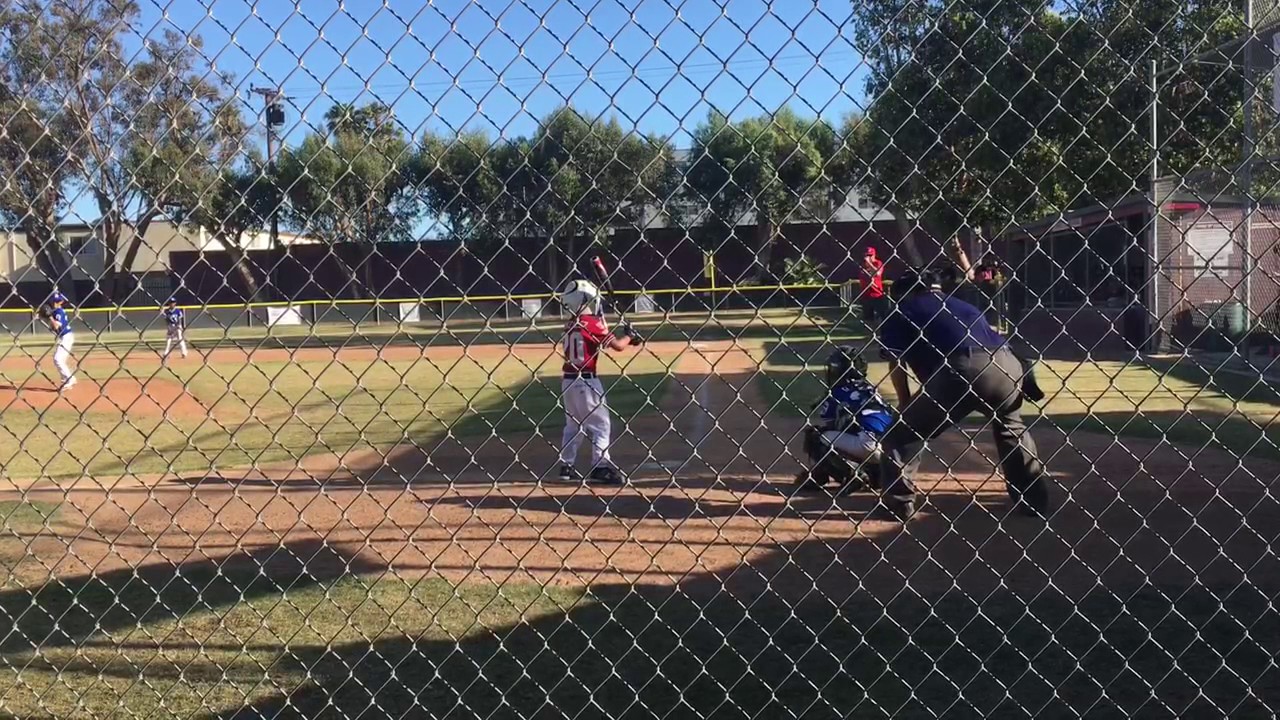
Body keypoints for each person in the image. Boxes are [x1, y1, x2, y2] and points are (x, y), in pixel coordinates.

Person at [876, 268, 1052, 521]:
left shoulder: (905, 309)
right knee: (1011, 427)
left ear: (905, 292)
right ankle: (1033, 501)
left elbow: (896, 361)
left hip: (964, 367)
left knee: (901, 433)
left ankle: (899, 503)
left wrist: (904, 402)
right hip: (1009, 365)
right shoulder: (962, 305)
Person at [557, 278, 644, 485]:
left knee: (573, 425)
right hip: (587, 381)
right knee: (601, 425)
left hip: (567, 382)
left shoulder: (570, 324)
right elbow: (617, 346)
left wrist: (626, 336)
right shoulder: (592, 323)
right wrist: (630, 337)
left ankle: (566, 466)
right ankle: (600, 466)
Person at [794, 345, 895, 495]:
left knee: (816, 437)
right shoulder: (871, 390)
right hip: (890, 450)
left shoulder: (837, 392)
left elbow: (831, 426)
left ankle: (849, 474)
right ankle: (875, 477)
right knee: (854, 433)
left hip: (866, 445)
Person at [40, 292, 77, 391]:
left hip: (66, 337)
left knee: (58, 359)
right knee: (59, 360)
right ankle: (67, 378)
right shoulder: (55, 312)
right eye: (54, 301)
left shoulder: (58, 312)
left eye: (58, 301)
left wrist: (50, 317)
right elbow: (53, 327)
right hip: (64, 337)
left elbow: (56, 325)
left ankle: (69, 379)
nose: (56, 303)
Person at [859, 246, 887, 327]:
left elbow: (878, 273)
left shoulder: (878, 263)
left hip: (877, 294)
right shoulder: (862, 265)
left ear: (874, 255)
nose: (868, 257)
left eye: (870, 255)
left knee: (882, 315)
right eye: (866, 255)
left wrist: (870, 263)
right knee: (868, 318)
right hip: (866, 295)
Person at [162, 298, 188, 363]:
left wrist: (180, 326)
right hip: (170, 327)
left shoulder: (178, 311)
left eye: (173, 302)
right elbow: (166, 320)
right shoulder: (166, 311)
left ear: (175, 303)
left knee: (180, 339)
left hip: (177, 326)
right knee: (168, 340)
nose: (172, 304)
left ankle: (184, 352)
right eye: (171, 302)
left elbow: (180, 319)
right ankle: (166, 353)